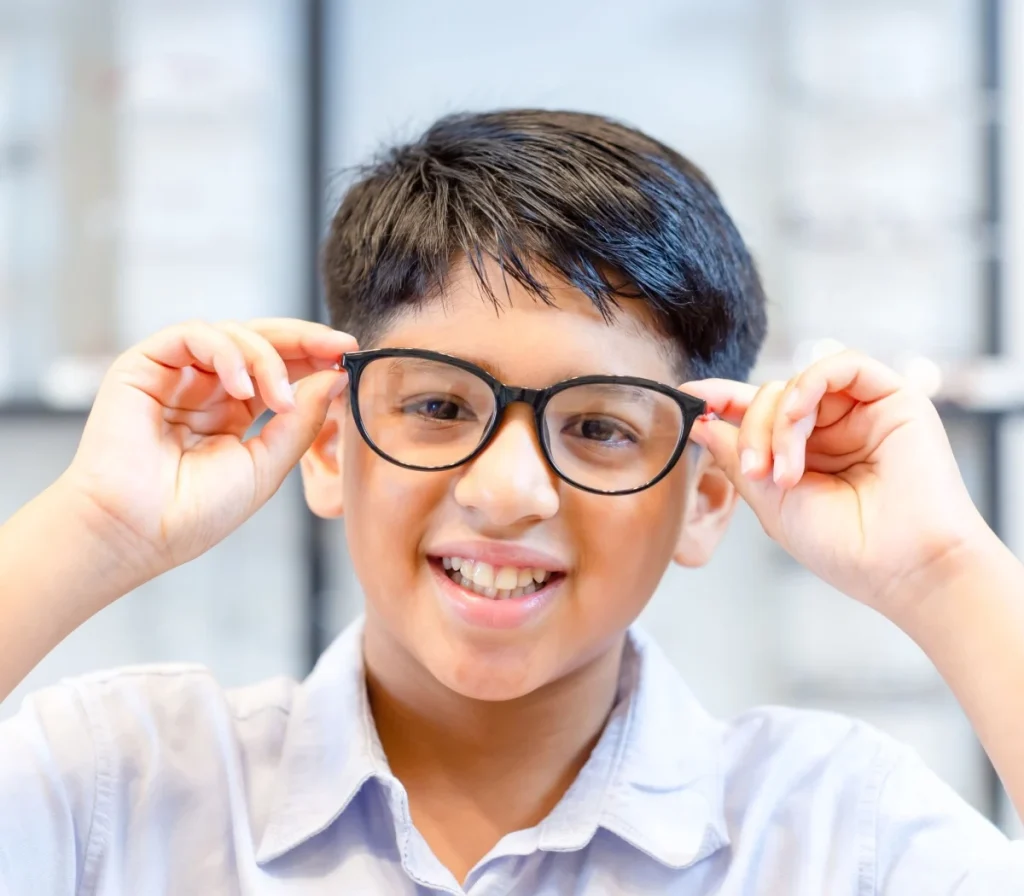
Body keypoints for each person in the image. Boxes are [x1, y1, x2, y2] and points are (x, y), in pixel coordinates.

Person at [1, 109, 1023, 896]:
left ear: (708, 494)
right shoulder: (114, 787)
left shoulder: (840, 834)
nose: (506, 492)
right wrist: (95, 525)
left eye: (600, 427)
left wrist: (945, 570)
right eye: (439, 406)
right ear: (328, 444)